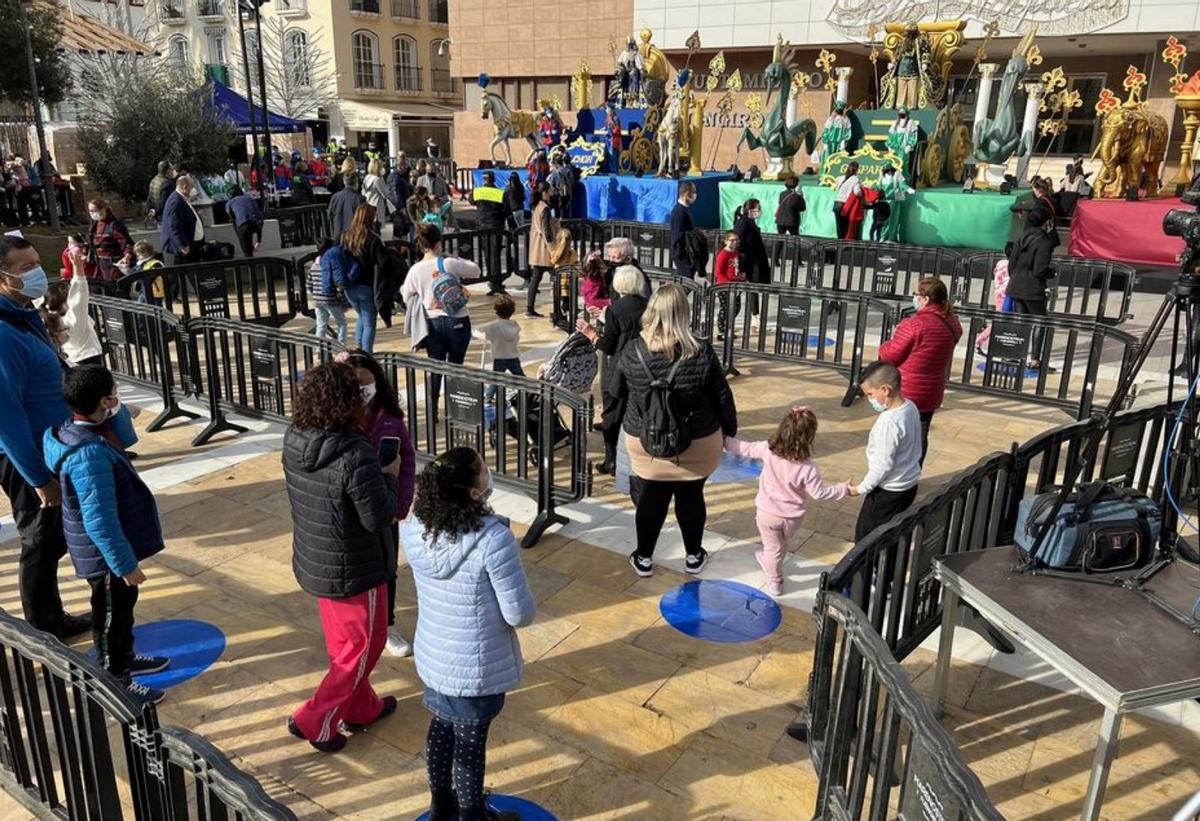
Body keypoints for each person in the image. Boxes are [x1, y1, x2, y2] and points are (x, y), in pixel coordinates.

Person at [401, 447, 535, 821]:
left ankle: (440, 806)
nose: (488, 474)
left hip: (435, 654)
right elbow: (519, 613)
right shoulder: (493, 540)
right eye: (483, 470)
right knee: (471, 747)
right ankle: (472, 815)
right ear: (474, 492)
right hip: (476, 668)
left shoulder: (415, 527)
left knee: (441, 727)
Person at [283, 362, 400, 753]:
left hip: (318, 559)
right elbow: (378, 516)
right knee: (364, 646)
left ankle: (362, 707)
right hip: (355, 566)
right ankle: (315, 719)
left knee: (345, 646)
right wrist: (388, 475)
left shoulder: (295, 437)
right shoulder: (355, 453)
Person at [42, 365, 168, 704]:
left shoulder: (88, 430)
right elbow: (99, 519)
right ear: (103, 399)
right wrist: (125, 565)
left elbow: (126, 439)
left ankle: (124, 656)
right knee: (110, 616)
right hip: (105, 557)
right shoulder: (88, 455)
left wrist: (118, 410)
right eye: (114, 391)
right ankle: (115, 677)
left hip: (111, 551)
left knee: (123, 610)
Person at [0, 235, 91, 639]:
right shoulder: (2, 333)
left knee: (52, 536)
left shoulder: (22, 314)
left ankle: (51, 615)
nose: (37, 273)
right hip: (29, 456)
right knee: (40, 537)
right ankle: (42, 625)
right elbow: (7, 418)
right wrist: (39, 479)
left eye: (37, 262)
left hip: (51, 445)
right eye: (25, 268)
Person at [614, 284, 737, 576]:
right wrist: (729, 431)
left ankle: (643, 557)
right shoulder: (701, 350)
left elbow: (615, 391)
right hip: (697, 439)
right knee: (691, 495)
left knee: (651, 496)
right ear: (684, 314)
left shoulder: (632, 350)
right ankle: (694, 555)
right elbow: (722, 397)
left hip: (645, 437)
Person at [340, 350, 417, 658]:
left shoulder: (389, 415)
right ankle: (359, 625)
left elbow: (407, 458)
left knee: (387, 568)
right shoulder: (334, 419)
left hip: (385, 507)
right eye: (357, 385)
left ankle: (387, 624)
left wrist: (401, 504)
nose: (364, 391)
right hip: (351, 510)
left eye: (369, 383)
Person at [724, 407, 848, 596]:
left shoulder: (767, 449)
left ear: (782, 429)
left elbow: (743, 448)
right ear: (809, 437)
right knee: (779, 546)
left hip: (766, 514)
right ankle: (768, 560)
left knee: (774, 548)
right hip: (792, 519)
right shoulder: (808, 468)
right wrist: (843, 489)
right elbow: (820, 493)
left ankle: (774, 581)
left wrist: (722, 440)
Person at [877, 277, 962, 465]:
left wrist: (886, 343)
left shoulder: (913, 324)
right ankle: (914, 473)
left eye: (916, 294)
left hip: (907, 389)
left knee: (894, 434)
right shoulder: (952, 322)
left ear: (925, 298)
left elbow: (890, 356)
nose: (914, 297)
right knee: (921, 434)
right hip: (932, 390)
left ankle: (892, 475)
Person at [577, 265, 648, 474]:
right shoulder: (648, 305)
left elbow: (608, 344)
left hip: (619, 367)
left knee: (612, 413)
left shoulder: (616, 309)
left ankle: (611, 459)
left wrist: (591, 334)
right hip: (644, 364)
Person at [401, 223, 479, 409]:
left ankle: (433, 408)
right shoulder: (447, 263)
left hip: (432, 322)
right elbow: (476, 270)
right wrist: (454, 257)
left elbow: (406, 295)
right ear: (439, 243)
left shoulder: (415, 269)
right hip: (457, 319)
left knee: (435, 368)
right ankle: (455, 408)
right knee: (455, 367)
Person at [847, 361, 922, 541]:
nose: (870, 400)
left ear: (885, 390)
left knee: (866, 540)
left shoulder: (888, 423)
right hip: (908, 484)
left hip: (888, 492)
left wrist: (861, 488)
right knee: (893, 535)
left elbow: (882, 466)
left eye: (871, 394)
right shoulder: (910, 406)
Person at [1006, 208, 1057, 371]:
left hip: (1015, 285)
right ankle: (1035, 360)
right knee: (1040, 321)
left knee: (1022, 321)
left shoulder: (1021, 238)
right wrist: (1053, 272)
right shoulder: (1044, 241)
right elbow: (1039, 270)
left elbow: (1011, 265)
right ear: (1045, 222)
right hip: (1032, 287)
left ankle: (1015, 354)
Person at [337, 203, 387, 352]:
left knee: (361, 316)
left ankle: (359, 348)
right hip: (368, 285)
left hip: (350, 285)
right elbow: (382, 263)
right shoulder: (373, 239)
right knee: (370, 322)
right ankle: (366, 354)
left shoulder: (346, 236)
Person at [40, 277, 104, 368]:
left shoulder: (52, 318)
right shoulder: (72, 318)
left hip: (73, 358)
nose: (72, 301)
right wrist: (78, 270)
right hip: (86, 358)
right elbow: (79, 295)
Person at [473, 294, 524, 402]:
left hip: (500, 357)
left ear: (496, 311)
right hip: (513, 356)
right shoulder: (515, 325)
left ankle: (488, 397)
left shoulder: (495, 326)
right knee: (520, 377)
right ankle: (527, 391)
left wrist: (474, 332)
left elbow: (479, 332)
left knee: (496, 379)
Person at [472, 171, 511, 296]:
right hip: (496, 227)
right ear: (493, 180)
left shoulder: (477, 191)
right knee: (495, 255)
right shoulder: (500, 193)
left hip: (482, 227)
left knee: (487, 254)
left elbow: (472, 201)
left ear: (483, 180)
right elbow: (507, 210)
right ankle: (496, 282)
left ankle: (491, 280)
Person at [525, 182, 557, 318]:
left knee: (535, 279)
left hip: (536, 249)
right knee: (558, 277)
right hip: (544, 250)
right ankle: (562, 308)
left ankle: (529, 308)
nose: (553, 191)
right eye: (551, 189)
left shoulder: (537, 207)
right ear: (545, 192)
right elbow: (546, 230)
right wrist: (553, 248)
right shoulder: (545, 208)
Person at [159, 176, 205, 266]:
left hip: (191, 244)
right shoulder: (176, 201)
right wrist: (182, 245)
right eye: (192, 187)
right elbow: (174, 225)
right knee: (184, 271)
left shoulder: (182, 198)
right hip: (185, 247)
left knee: (182, 272)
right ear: (184, 187)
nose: (194, 190)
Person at [86, 198, 135, 280]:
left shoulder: (114, 225)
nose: (93, 213)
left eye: (95, 210)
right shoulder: (95, 224)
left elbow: (126, 242)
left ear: (103, 209)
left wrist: (127, 256)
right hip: (100, 263)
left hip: (114, 263)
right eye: (91, 211)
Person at [311, 239, 349, 344]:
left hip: (318, 300)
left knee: (321, 325)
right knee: (342, 323)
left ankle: (319, 349)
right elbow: (337, 285)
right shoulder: (331, 264)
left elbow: (309, 284)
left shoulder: (313, 266)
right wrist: (344, 302)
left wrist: (316, 294)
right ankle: (341, 346)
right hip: (331, 300)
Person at [713, 231, 744, 334]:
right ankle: (721, 330)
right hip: (724, 285)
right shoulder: (723, 254)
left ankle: (728, 326)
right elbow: (718, 272)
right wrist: (727, 284)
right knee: (725, 308)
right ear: (726, 241)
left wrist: (741, 277)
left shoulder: (735, 252)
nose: (735, 242)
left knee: (736, 307)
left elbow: (735, 268)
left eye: (736, 240)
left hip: (734, 284)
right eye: (732, 240)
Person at [733, 198, 770, 286]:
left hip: (753, 259)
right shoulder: (743, 223)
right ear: (750, 211)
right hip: (749, 261)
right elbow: (739, 243)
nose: (760, 210)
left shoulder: (749, 222)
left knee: (753, 288)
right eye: (758, 208)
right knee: (752, 286)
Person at [669, 181, 699, 278]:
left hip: (684, 252)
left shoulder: (683, 209)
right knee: (687, 280)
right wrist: (680, 253)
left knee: (683, 278)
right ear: (687, 194)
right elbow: (678, 234)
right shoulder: (679, 211)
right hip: (681, 252)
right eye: (693, 192)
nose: (695, 195)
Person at [224, 187, 263, 258]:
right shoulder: (250, 199)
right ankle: (251, 253)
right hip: (254, 224)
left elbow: (233, 220)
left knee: (246, 249)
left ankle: (249, 259)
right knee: (249, 237)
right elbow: (259, 215)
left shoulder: (229, 203)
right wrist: (258, 240)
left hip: (242, 225)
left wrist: (238, 234)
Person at [328, 172, 365, 243]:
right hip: (354, 235)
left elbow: (330, 215)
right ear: (356, 183)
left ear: (344, 182)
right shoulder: (360, 199)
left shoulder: (335, 197)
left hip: (338, 233)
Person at [834, 162, 864, 240]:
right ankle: (845, 243)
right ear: (857, 169)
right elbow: (857, 192)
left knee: (839, 225)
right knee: (846, 225)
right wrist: (862, 193)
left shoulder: (840, 178)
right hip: (845, 204)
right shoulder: (856, 179)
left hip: (837, 202)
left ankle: (839, 241)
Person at [130, 241, 166, 306]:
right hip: (143, 291)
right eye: (137, 254)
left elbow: (150, 277)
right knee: (140, 309)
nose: (138, 256)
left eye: (140, 254)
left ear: (147, 253)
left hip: (155, 293)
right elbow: (133, 272)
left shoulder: (156, 263)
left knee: (156, 310)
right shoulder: (140, 263)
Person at [362, 159, 391, 234]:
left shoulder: (367, 178)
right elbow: (385, 193)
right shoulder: (377, 180)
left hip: (368, 205)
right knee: (377, 231)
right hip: (377, 207)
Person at [386, 160, 413, 238]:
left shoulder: (400, 176)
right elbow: (395, 193)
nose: (405, 168)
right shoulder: (395, 177)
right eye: (403, 165)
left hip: (400, 207)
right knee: (399, 229)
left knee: (403, 229)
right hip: (398, 208)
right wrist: (401, 207)